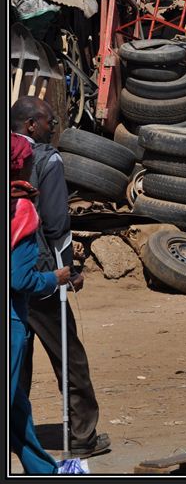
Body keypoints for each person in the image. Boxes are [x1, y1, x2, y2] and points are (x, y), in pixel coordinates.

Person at [11, 97, 109, 458]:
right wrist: (67, 273)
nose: (54, 126)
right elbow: (56, 225)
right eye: (50, 121)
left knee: (17, 357)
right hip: (41, 273)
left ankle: (14, 432)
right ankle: (82, 434)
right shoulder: (46, 159)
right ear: (32, 124)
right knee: (68, 357)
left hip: (12, 273)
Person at [10, 133, 71, 474]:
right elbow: (19, 279)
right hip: (11, 320)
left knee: (17, 405)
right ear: (24, 164)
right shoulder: (21, 210)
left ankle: (43, 470)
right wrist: (54, 278)